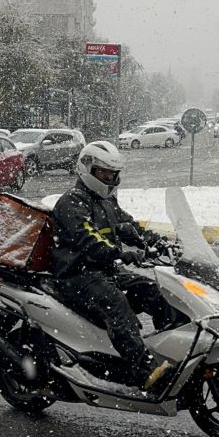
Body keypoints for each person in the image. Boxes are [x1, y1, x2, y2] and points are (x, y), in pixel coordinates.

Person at [50, 141, 175, 391]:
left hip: (103, 272)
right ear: (87, 169)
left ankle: (171, 349)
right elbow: (89, 239)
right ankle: (144, 372)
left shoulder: (105, 201)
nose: (109, 178)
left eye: (113, 174)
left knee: (152, 289)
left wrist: (158, 241)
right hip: (76, 276)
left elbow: (129, 227)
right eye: (104, 172)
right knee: (117, 304)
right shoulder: (72, 202)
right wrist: (121, 253)